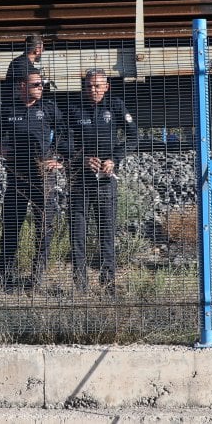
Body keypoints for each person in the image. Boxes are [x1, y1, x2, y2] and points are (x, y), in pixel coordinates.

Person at [0, 69, 70, 290]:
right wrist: (0, 148)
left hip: (43, 176)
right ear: (21, 86)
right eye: (36, 84)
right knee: (11, 226)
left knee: (44, 226)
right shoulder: (7, 109)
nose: (40, 88)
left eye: (42, 84)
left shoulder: (48, 108)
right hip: (17, 175)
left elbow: (66, 135)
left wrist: (59, 159)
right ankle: (3, 278)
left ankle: (37, 278)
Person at [66, 68, 138, 293]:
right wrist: (82, 159)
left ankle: (108, 281)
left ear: (107, 86)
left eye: (98, 85)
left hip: (106, 180)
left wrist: (114, 159)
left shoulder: (115, 106)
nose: (93, 90)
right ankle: (80, 284)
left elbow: (134, 136)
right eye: (89, 86)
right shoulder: (73, 109)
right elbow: (61, 141)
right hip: (79, 180)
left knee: (106, 231)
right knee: (78, 233)